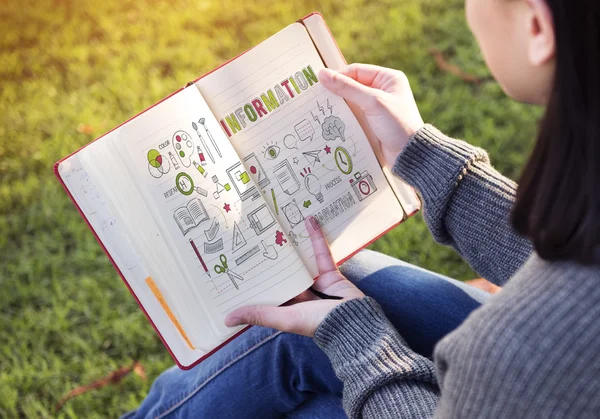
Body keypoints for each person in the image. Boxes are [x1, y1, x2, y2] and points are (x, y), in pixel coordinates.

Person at [125, 0, 599, 417]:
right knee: (343, 286)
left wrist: (359, 339)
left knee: (303, 350)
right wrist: (424, 156)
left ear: (537, 27)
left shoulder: (519, 348)